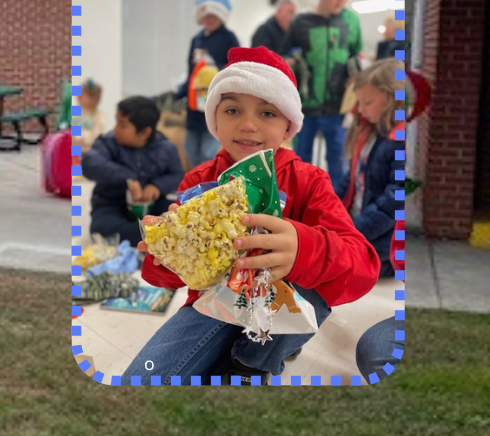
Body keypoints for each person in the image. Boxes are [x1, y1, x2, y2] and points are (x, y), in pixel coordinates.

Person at [124, 46, 380, 380]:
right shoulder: (198, 181)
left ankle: (254, 362)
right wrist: (166, 255)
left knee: (312, 293)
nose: (247, 125)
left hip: (282, 304)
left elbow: (362, 263)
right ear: (214, 118)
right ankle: (246, 351)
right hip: (213, 309)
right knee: (143, 378)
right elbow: (170, 279)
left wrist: (303, 249)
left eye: (267, 113)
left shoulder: (309, 181)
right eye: (232, 109)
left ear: (289, 125)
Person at [285, 0, 363, 191]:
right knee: (301, 159)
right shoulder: (300, 23)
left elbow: (354, 56)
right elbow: (286, 59)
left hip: (337, 107)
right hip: (304, 107)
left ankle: (337, 209)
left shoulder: (351, 22)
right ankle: (300, 203)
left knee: (337, 160)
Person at [81, 96, 184, 247]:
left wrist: (156, 186)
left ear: (144, 133)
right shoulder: (108, 142)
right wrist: (128, 178)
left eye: (122, 125)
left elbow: (177, 175)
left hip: (152, 205)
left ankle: (148, 233)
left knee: (181, 216)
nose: (115, 129)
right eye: (117, 122)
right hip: (112, 203)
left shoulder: (165, 148)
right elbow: (89, 163)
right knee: (101, 230)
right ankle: (154, 234)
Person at [336, 60, 403, 277]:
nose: (361, 110)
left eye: (367, 102)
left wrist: (354, 230)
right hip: (357, 228)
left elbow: (393, 201)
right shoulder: (370, 132)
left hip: (380, 241)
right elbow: (352, 179)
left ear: (391, 98)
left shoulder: (399, 141)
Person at [175, 0, 240, 168]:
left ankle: (208, 186)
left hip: (215, 101)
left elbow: (236, 66)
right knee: (190, 148)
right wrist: (179, 93)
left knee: (207, 152)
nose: (210, 19)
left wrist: (214, 68)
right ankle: (198, 184)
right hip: (194, 106)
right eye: (207, 15)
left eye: (214, 16)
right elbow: (191, 72)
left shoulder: (229, 38)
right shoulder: (196, 40)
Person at [75, 79, 107, 153]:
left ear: (93, 99)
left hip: (86, 153)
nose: (78, 96)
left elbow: (95, 138)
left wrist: (76, 134)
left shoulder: (99, 117)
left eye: (82, 94)